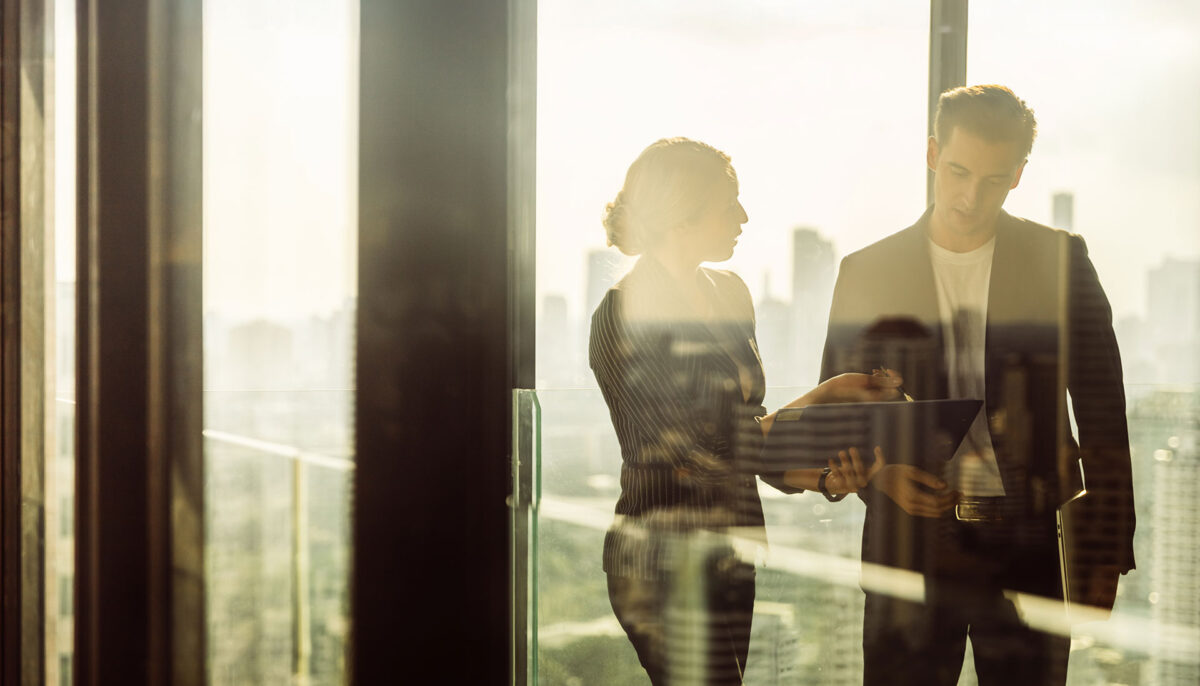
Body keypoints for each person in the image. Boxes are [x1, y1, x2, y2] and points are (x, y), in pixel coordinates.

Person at [820, 85, 1136, 685]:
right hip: (907, 551)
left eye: (993, 179)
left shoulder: (1060, 259)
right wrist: (882, 479)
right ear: (934, 153)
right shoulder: (866, 271)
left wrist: (1104, 551)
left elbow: (1103, 411)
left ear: (1019, 174)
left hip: (1029, 544)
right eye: (959, 171)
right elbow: (837, 408)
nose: (970, 196)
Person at [590, 137, 901, 685]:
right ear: (682, 210)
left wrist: (826, 478)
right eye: (729, 201)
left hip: (732, 552)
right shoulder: (622, 312)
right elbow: (695, 450)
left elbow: (744, 434)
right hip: (661, 564)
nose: (744, 216)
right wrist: (823, 396)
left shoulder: (731, 293)